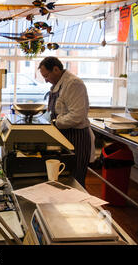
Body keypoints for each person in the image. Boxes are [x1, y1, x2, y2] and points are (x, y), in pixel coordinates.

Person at [38, 56, 92, 187]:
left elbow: (77, 115)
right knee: (64, 177)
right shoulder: (58, 84)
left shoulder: (73, 84)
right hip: (64, 136)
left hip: (76, 138)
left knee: (75, 179)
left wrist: (55, 122)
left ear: (56, 69)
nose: (45, 81)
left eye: (46, 76)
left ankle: (79, 206)